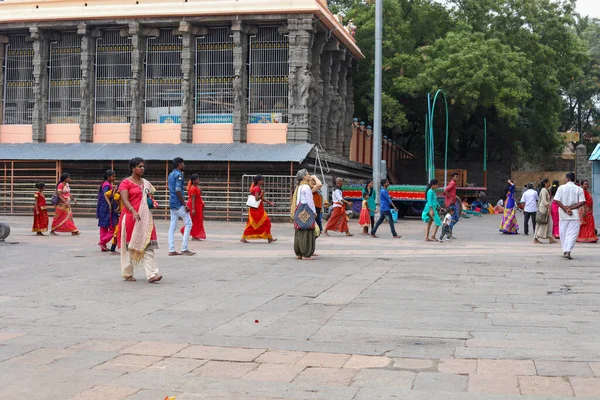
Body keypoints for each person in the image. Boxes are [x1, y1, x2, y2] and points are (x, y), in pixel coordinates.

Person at [118, 157, 162, 283]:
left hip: (145, 218)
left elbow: (150, 197)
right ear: (133, 168)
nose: (142, 168)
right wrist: (133, 210)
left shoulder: (146, 183)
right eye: (139, 166)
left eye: (143, 166)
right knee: (129, 247)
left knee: (148, 245)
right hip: (131, 218)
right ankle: (127, 273)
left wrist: (152, 202)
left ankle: (152, 274)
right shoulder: (125, 183)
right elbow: (124, 200)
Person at [554, 172, 586, 259]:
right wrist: (571, 208)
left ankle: (565, 250)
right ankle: (568, 251)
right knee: (572, 234)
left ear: (567, 179)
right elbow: (582, 202)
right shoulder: (579, 189)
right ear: (574, 179)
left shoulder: (561, 188)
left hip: (563, 215)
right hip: (574, 214)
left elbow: (556, 199)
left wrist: (565, 208)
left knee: (563, 233)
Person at [168, 157, 195, 256]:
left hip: (172, 202)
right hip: (178, 203)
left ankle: (171, 249)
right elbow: (178, 190)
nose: (184, 166)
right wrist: (185, 204)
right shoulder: (179, 175)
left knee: (172, 226)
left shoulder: (170, 174)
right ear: (179, 164)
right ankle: (184, 248)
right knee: (188, 223)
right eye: (183, 164)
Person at [241, 175, 277, 243]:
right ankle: (244, 237)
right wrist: (262, 194)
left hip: (258, 209)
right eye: (262, 180)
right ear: (258, 181)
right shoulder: (257, 188)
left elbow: (261, 199)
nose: (263, 181)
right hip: (256, 210)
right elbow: (257, 198)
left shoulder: (257, 188)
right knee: (266, 221)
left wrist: (269, 202)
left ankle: (269, 238)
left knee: (261, 223)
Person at [292, 169, 317, 260]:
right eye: (307, 174)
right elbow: (310, 201)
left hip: (299, 209)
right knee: (307, 230)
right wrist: (314, 212)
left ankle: (299, 252)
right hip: (307, 210)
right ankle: (306, 253)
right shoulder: (306, 187)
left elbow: (298, 200)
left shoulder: (299, 187)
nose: (309, 175)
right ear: (304, 177)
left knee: (300, 230)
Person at [180, 174, 206, 241]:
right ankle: (193, 235)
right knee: (194, 220)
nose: (198, 180)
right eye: (197, 179)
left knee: (197, 220)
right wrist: (193, 209)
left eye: (198, 179)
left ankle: (195, 235)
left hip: (198, 205)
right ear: (193, 181)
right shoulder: (193, 188)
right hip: (194, 205)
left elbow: (200, 193)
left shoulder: (196, 187)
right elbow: (193, 199)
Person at [97, 170, 117, 251]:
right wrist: (109, 204)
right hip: (106, 208)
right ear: (108, 177)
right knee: (112, 228)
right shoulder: (107, 185)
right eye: (113, 176)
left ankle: (103, 245)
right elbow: (106, 195)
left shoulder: (105, 184)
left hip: (102, 207)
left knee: (103, 227)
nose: (114, 178)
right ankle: (103, 242)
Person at [533, 178, 557, 244]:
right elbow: (544, 200)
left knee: (549, 223)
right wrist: (548, 207)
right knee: (541, 223)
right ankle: (535, 238)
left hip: (546, 208)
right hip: (543, 209)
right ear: (545, 183)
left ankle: (550, 238)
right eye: (548, 182)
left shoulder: (546, 190)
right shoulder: (544, 190)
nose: (549, 184)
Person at [105, 186, 122, 254]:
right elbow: (116, 197)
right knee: (118, 230)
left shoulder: (116, 189)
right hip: (123, 212)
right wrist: (119, 205)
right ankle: (113, 248)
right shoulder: (119, 190)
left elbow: (107, 194)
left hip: (124, 212)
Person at [443, 172, 460, 237]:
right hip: (451, 203)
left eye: (457, 177)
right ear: (452, 177)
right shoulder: (452, 183)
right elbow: (445, 190)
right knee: (455, 217)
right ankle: (448, 231)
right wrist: (450, 197)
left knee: (453, 217)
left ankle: (449, 232)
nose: (457, 178)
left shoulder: (453, 183)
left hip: (452, 203)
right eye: (456, 177)